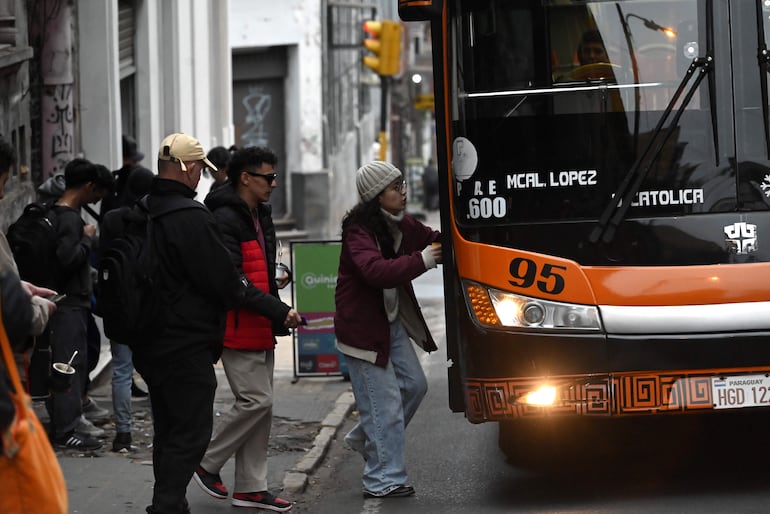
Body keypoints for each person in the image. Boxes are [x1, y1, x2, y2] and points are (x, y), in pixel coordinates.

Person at [131, 132, 244, 514]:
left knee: (168, 428)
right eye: (200, 170)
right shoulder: (192, 218)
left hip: (147, 340)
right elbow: (222, 281)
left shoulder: (140, 210)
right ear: (188, 168)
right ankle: (165, 506)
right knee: (193, 431)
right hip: (185, 341)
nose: (201, 178)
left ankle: (170, 503)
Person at [194, 146, 300, 512]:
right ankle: (206, 462)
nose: (274, 184)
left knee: (261, 409)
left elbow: (255, 268)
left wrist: (274, 283)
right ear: (245, 178)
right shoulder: (223, 216)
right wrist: (278, 308)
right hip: (236, 324)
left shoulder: (260, 212)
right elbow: (232, 281)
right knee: (257, 401)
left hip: (259, 322)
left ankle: (251, 488)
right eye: (268, 177)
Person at [334, 160, 442, 498]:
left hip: (389, 322)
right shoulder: (358, 230)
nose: (403, 192)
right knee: (384, 407)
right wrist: (423, 259)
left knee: (415, 385)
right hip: (364, 331)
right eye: (395, 187)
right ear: (375, 195)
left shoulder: (400, 223)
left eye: (402, 184)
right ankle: (383, 480)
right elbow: (375, 271)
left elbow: (434, 239)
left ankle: (364, 438)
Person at [45, 158, 113, 450]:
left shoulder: (54, 211)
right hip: (70, 302)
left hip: (62, 301)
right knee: (70, 364)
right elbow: (67, 259)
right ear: (87, 186)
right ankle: (67, 429)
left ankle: (67, 422)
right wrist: (87, 240)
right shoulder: (70, 218)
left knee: (67, 363)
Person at [98, 166, 154, 452]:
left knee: (122, 370)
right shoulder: (154, 218)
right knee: (156, 369)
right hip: (149, 306)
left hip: (118, 304)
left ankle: (123, 434)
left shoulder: (111, 218)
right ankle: (163, 431)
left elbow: (101, 259)